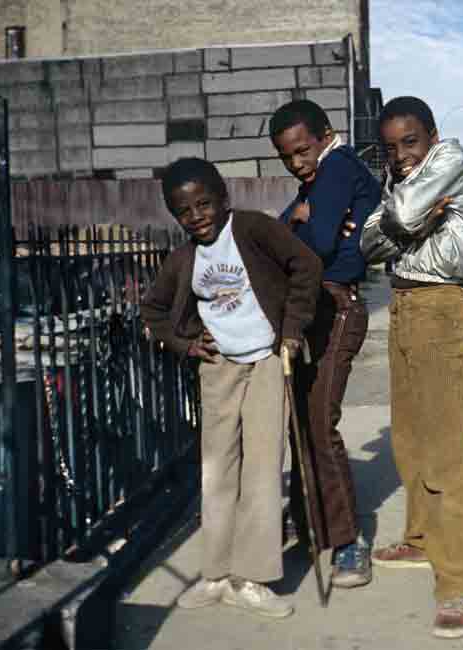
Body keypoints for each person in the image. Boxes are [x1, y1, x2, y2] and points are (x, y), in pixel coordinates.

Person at [142, 157, 322, 618]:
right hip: (218, 366)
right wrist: (184, 344)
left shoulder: (253, 229)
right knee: (216, 470)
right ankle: (216, 575)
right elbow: (154, 312)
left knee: (262, 471)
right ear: (174, 215)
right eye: (185, 210)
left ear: (224, 199)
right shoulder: (183, 258)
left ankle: (253, 578)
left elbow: (305, 266)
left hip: (265, 362)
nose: (197, 215)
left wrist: (292, 329)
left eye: (204, 203)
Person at [359, 96, 463, 639]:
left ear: (431, 136)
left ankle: (461, 582)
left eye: (410, 142)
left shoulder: (451, 156)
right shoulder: (398, 179)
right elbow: (368, 244)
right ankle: (420, 539)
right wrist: (403, 218)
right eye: (390, 147)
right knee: (408, 439)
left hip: (441, 306)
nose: (400, 155)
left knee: (447, 451)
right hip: (405, 306)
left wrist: (405, 219)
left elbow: (402, 219)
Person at [269, 99, 382, 589]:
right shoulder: (322, 176)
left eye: (302, 150)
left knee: (318, 423)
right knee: (300, 420)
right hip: (312, 308)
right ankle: (308, 515)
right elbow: (287, 232)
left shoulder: (336, 168)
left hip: (336, 308)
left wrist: (300, 221)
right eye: (287, 157)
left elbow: (313, 244)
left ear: (326, 134)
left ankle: (349, 540)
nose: (297, 163)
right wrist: (298, 218)